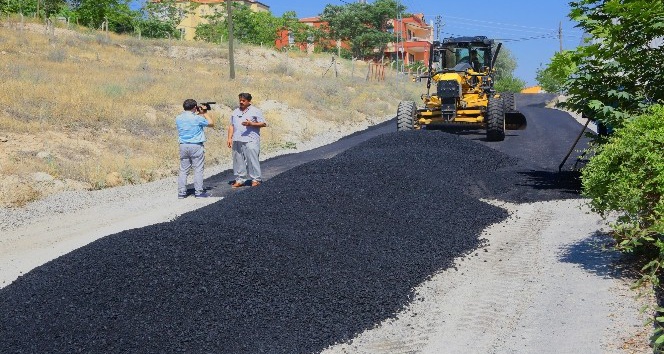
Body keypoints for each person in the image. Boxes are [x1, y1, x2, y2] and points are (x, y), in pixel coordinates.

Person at [176, 99, 215, 199]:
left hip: (183, 145)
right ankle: (198, 192)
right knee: (198, 169)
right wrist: (204, 113)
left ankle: (181, 193)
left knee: (183, 170)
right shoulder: (197, 118)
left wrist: (197, 112)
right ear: (194, 107)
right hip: (196, 145)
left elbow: (190, 118)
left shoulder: (178, 118)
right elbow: (211, 123)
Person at [227, 92, 267, 188]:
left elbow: (264, 124)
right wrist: (229, 138)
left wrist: (252, 124)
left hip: (251, 139)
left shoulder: (255, 111)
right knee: (238, 160)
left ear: (249, 101)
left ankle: (256, 179)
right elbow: (232, 125)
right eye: (240, 100)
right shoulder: (235, 111)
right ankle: (240, 179)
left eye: (243, 100)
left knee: (252, 159)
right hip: (237, 139)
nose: (241, 102)